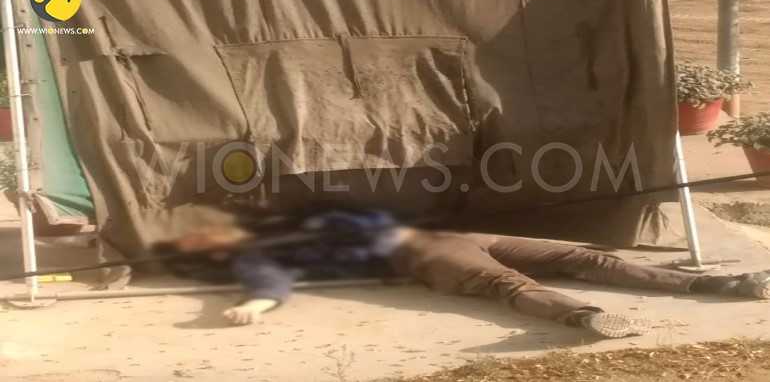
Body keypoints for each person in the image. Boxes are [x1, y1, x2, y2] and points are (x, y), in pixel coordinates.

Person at [164, 208, 770, 338]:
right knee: (505, 285)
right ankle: (584, 317)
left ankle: (721, 283)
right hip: (420, 257)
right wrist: (251, 307)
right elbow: (269, 286)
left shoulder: (283, 222)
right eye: (203, 235)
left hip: (459, 234)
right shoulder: (258, 257)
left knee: (585, 257)